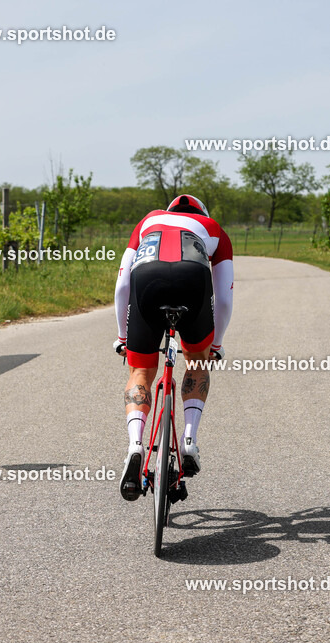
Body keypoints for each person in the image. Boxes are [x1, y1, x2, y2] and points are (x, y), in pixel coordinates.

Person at [112, 194, 233, 501]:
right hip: (193, 281)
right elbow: (224, 297)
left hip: (146, 280)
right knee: (196, 364)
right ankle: (189, 440)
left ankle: (135, 446)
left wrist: (123, 335)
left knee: (140, 370)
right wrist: (214, 344)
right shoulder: (213, 228)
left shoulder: (148, 221)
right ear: (201, 213)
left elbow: (122, 285)